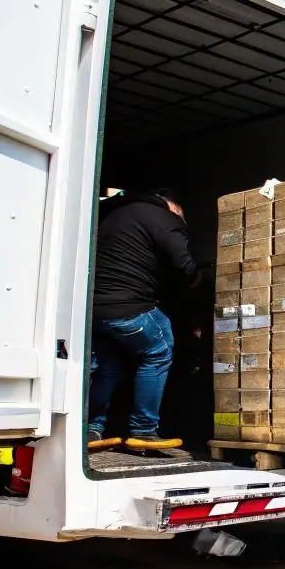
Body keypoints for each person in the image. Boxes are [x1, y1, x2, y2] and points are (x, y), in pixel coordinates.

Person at [88, 188, 199, 451]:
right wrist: (199, 286)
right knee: (158, 351)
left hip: (95, 309)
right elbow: (183, 265)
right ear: (173, 208)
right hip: (128, 306)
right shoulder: (164, 218)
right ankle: (144, 430)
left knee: (107, 367)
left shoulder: (116, 213)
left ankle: (91, 429)